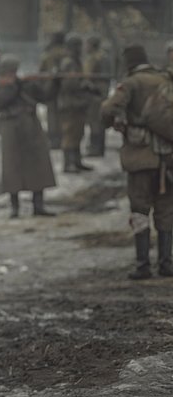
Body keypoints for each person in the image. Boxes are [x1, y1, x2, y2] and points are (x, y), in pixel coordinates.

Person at [101, 45, 173, 279]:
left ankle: (143, 265)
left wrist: (115, 121)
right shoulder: (164, 78)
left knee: (140, 209)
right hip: (167, 157)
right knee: (165, 209)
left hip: (140, 156)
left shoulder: (131, 83)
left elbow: (109, 108)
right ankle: (166, 263)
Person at [0, 55, 57, 218]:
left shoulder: (25, 84)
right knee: (12, 168)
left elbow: (44, 97)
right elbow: (0, 102)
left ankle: (38, 205)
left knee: (38, 165)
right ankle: (15, 207)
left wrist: (54, 82)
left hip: (31, 125)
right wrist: (14, 86)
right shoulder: (0, 85)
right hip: (11, 128)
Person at [57, 33, 97, 173]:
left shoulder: (75, 61)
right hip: (70, 104)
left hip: (77, 103)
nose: (81, 48)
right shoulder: (69, 62)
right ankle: (68, 163)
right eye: (78, 46)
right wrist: (85, 85)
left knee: (78, 133)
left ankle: (76, 161)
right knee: (70, 134)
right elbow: (69, 83)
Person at [83, 36, 111, 157]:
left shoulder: (94, 58)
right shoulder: (104, 56)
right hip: (102, 92)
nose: (85, 47)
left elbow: (87, 75)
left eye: (87, 44)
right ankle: (99, 148)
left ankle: (95, 148)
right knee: (99, 121)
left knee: (95, 121)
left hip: (95, 93)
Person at [39, 31, 68, 150]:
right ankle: (62, 138)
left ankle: (53, 139)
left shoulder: (47, 55)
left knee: (52, 115)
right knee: (63, 115)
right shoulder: (67, 54)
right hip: (64, 89)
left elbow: (41, 72)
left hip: (50, 88)